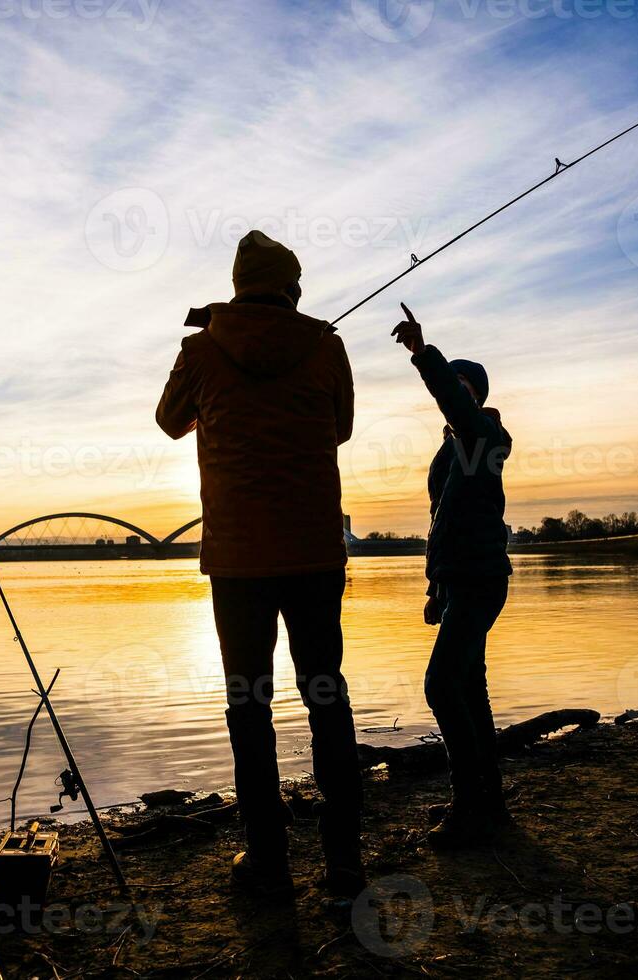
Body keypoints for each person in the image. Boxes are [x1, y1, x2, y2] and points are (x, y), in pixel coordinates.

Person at [156, 230, 363, 893]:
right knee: (325, 694)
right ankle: (344, 861)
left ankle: (268, 860)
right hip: (313, 552)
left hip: (238, 559)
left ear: (239, 286)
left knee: (249, 704)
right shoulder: (327, 345)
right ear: (292, 288)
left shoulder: (200, 348)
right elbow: (342, 428)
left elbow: (168, 421)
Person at [390, 304, 513, 847]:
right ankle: (491, 802)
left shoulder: (479, 436)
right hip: (462, 579)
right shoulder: (453, 451)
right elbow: (441, 525)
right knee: (470, 688)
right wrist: (435, 589)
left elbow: (457, 405)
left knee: (441, 687)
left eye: (464, 386)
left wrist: (425, 355)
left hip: (482, 579)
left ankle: (469, 808)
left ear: (475, 395)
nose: (456, 393)